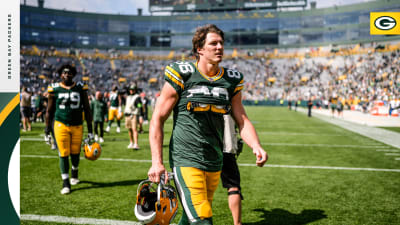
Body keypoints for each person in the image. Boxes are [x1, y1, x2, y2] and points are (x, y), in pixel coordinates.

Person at [147, 24, 268, 225]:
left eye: (221, 43)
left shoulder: (230, 80)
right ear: (199, 49)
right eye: (213, 43)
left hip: (214, 159)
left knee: (190, 217)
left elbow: (242, 119)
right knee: (203, 218)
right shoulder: (183, 73)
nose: (219, 47)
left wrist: (256, 145)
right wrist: (156, 161)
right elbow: (158, 118)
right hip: (186, 157)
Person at [45, 64, 93, 195]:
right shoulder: (54, 88)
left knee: (75, 152)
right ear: (61, 75)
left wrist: (90, 131)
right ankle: (65, 182)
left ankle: (74, 172)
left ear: (73, 74)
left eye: (70, 72)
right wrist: (46, 130)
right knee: (64, 153)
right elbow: (49, 111)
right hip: (60, 124)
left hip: (77, 125)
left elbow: (87, 109)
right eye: (64, 73)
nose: (67, 74)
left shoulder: (80, 87)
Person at [221, 114, 244, 225]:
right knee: (233, 185)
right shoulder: (229, 95)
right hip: (227, 142)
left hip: (202, 145)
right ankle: (237, 223)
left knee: (199, 187)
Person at [124, 84, 142, 150]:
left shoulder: (137, 97)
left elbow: (140, 105)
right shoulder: (128, 97)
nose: (131, 91)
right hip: (127, 114)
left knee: (134, 129)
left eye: (132, 90)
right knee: (129, 129)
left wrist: (140, 115)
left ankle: (136, 144)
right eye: (130, 89)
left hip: (133, 114)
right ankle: (131, 142)